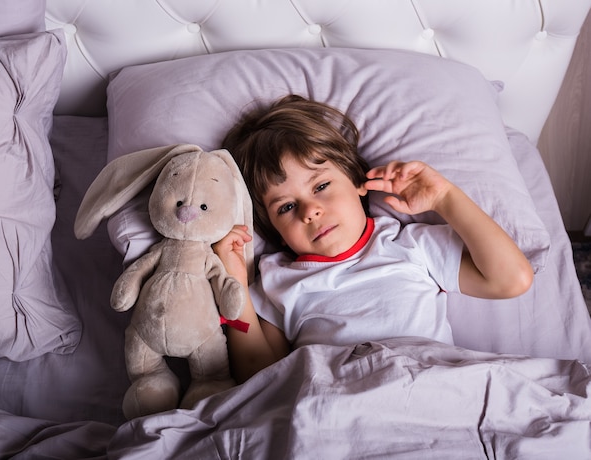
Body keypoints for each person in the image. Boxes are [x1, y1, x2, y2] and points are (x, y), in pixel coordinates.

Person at [213, 94, 534, 383]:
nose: (310, 211)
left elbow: (511, 279)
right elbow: (259, 375)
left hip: (430, 382)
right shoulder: (277, 281)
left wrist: (444, 198)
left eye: (321, 186)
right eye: (286, 206)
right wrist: (235, 287)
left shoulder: (410, 245)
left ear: (355, 180)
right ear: (274, 230)